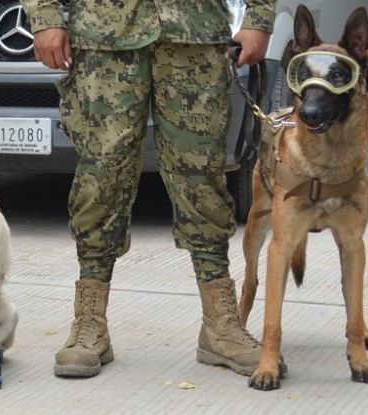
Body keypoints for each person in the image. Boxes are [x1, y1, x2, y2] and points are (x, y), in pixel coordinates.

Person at [21, 0, 275, 378]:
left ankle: (220, 324)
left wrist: (259, 18)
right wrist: (45, 19)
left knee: (201, 176)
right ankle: (90, 322)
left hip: (194, 34)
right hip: (105, 38)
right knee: (101, 177)